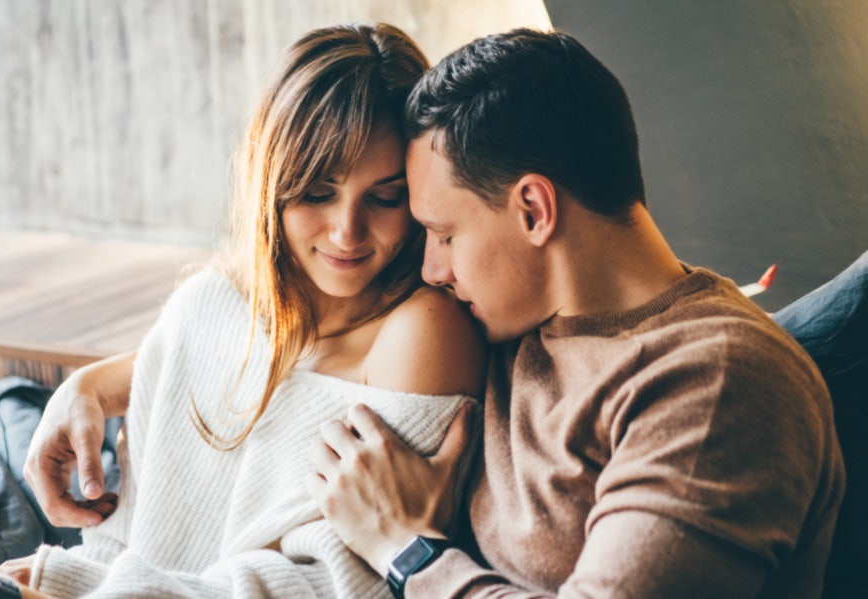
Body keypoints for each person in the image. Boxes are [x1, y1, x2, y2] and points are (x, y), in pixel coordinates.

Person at [0, 22, 485, 599]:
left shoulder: (420, 333)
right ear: (270, 182)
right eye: (316, 190)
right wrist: (64, 571)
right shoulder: (208, 310)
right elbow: (125, 543)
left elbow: (340, 581)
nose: (346, 231)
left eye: (385, 196)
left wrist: (71, 585)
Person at [304, 28, 846, 598]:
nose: (432, 269)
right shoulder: (509, 319)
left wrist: (406, 549)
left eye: (444, 235)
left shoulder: (720, 383)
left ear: (534, 210)